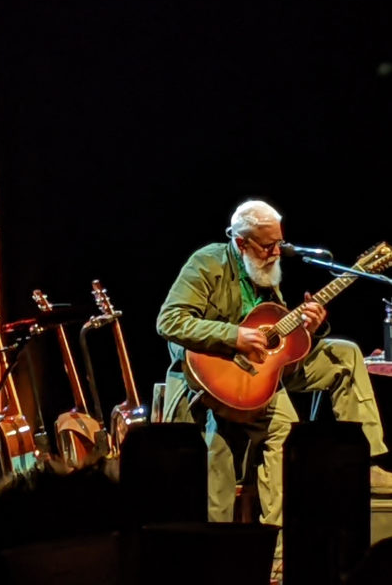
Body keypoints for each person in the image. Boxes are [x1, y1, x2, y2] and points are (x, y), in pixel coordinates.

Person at [156, 199, 392, 571]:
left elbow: (281, 340)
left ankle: (367, 463)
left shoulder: (267, 274)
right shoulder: (208, 263)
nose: (275, 253)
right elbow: (169, 322)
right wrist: (234, 336)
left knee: (344, 355)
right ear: (240, 243)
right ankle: (217, 565)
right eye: (267, 246)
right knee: (238, 441)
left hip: (265, 375)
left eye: (279, 243)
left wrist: (310, 327)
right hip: (213, 383)